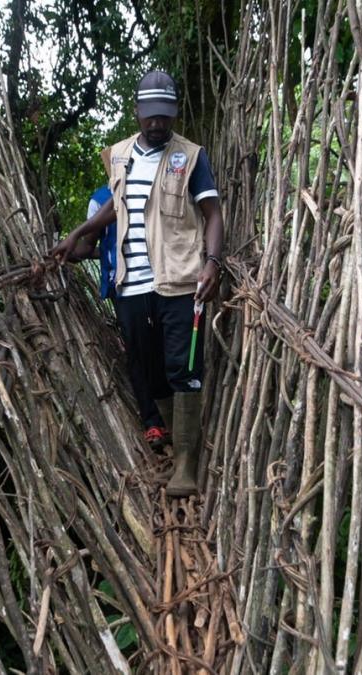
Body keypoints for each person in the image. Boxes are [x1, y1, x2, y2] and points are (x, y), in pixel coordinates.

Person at [51, 70, 224, 497]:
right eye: (150, 116)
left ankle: (187, 463)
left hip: (180, 281)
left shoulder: (192, 157)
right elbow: (118, 202)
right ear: (137, 112)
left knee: (183, 369)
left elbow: (213, 214)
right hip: (132, 286)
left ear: (174, 113)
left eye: (165, 116)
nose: (157, 124)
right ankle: (168, 438)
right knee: (149, 369)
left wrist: (213, 262)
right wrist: (81, 231)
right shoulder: (121, 155)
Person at [70, 185, 170, 450]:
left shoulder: (154, 185)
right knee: (137, 352)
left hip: (163, 280)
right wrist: (66, 250)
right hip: (124, 286)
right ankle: (153, 422)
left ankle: (172, 414)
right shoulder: (99, 199)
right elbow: (91, 245)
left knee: (166, 346)